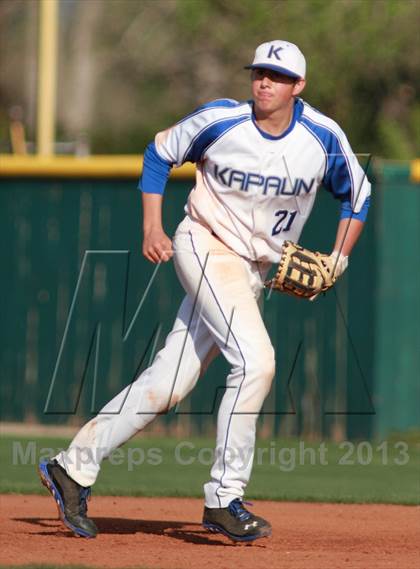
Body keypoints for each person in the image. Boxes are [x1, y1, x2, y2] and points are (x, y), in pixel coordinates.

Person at [38, 40, 371, 542]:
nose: (264, 82)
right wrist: (152, 226)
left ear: (298, 86)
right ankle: (224, 497)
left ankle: (72, 466)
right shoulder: (222, 121)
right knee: (257, 361)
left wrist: (339, 259)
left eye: (277, 76)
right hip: (205, 244)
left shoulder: (322, 137)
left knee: (169, 383)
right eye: (259, 72)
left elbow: (358, 197)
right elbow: (158, 153)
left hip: (255, 270)